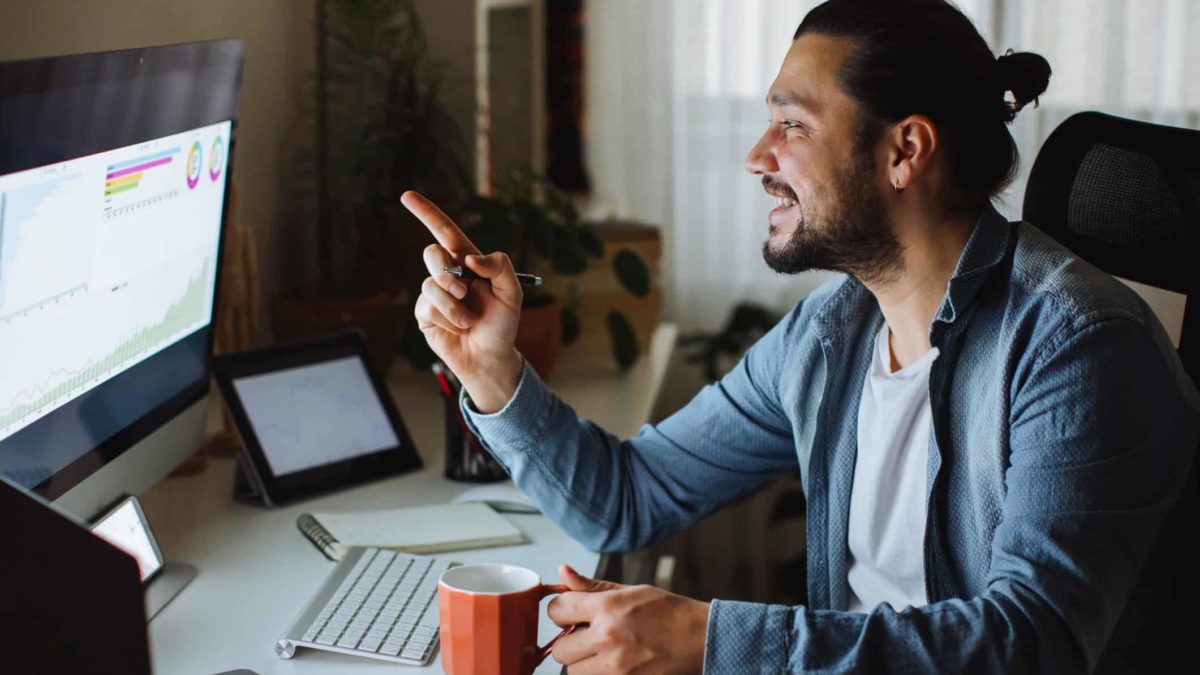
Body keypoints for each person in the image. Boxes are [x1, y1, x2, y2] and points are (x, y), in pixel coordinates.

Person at [404, 0, 1200, 672]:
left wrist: (707, 639)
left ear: (904, 150)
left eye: (791, 123)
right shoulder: (831, 331)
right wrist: (492, 369)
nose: (757, 157)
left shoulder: (1078, 346)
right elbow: (628, 498)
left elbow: (1031, 646)